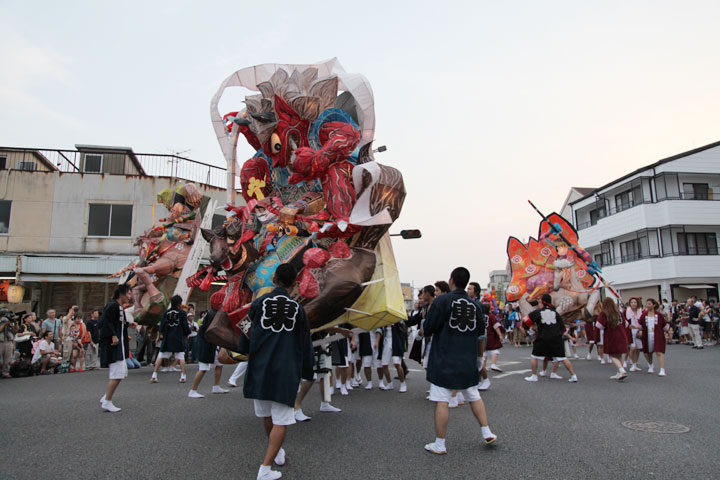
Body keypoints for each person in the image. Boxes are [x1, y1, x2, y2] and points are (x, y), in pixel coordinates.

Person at [238, 264, 313, 480]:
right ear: (294, 284)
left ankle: (276, 451)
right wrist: (308, 370)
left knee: (267, 415)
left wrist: (243, 350)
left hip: (260, 365)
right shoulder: (298, 309)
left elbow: (245, 328)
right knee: (281, 419)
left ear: (274, 279)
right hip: (285, 368)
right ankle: (265, 469)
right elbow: (305, 342)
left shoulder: (258, 303)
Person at [423, 267, 497, 455]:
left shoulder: (442, 301)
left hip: (445, 356)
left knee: (441, 400)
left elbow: (429, 327)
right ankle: (486, 431)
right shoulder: (475, 305)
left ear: (452, 280)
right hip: (468, 358)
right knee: (473, 395)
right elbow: (481, 335)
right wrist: (480, 359)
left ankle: (440, 444)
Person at [522, 294, 578, 383]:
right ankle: (573, 375)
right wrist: (571, 337)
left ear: (543, 302)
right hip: (556, 338)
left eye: (540, 302)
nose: (539, 303)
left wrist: (528, 330)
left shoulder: (538, 312)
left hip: (542, 337)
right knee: (562, 357)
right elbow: (563, 329)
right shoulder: (556, 314)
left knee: (534, 356)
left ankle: (534, 376)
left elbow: (526, 320)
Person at [99, 284, 137, 412]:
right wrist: (113, 335)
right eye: (128, 293)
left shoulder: (119, 307)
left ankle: (106, 397)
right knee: (118, 373)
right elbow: (105, 321)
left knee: (120, 372)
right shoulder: (112, 306)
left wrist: (128, 324)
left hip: (119, 344)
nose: (130, 296)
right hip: (113, 345)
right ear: (121, 293)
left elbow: (117, 322)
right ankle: (107, 401)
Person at [188, 292, 229, 398]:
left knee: (219, 364)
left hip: (211, 344)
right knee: (203, 368)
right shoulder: (213, 314)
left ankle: (216, 386)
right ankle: (193, 390)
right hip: (206, 344)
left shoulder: (213, 313)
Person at [151, 295, 190, 383]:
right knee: (181, 356)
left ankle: (154, 375)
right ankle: (183, 376)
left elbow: (162, 325)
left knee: (161, 355)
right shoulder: (182, 313)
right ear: (179, 303)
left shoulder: (166, 312)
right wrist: (187, 333)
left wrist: (160, 334)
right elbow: (185, 325)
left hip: (167, 337)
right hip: (178, 336)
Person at [596, 298, 628, 380]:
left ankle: (621, 370)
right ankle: (619, 373)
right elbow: (626, 324)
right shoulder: (619, 313)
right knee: (619, 354)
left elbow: (599, 325)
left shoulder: (604, 313)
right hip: (622, 334)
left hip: (611, 335)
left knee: (612, 354)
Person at [637, 298, 668, 376]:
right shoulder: (644, 315)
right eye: (647, 304)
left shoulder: (659, 315)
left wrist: (667, 332)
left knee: (659, 352)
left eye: (649, 304)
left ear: (654, 305)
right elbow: (640, 325)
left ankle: (662, 369)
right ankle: (650, 365)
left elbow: (664, 326)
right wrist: (640, 330)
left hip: (658, 335)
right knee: (649, 351)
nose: (647, 305)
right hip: (647, 335)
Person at [625, 297, 643, 372]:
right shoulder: (627, 311)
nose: (633, 304)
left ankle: (635, 364)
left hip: (638, 330)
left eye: (635, 302)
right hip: (630, 331)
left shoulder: (640, 311)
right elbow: (626, 322)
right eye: (632, 302)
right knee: (632, 347)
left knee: (638, 348)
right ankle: (631, 362)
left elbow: (642, 322)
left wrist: (640, 329)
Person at [0, 310, 18, 378]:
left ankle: (5, 373)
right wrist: (4, 324)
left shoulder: (10, 322)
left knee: (7, 359)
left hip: (8, 341)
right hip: (0, 341)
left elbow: (15, 331)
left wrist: (15, 323)